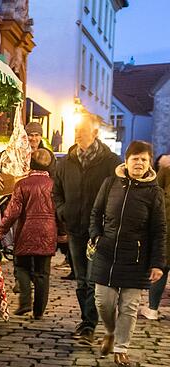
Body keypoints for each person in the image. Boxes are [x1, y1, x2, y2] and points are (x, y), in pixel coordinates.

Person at [89, 140, 165, 367]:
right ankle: (110, 332)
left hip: (136, 257)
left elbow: (159, 230)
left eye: (144, 159)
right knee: (103, 302)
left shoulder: (154, 192)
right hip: (106, 253)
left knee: (129, 307)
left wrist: (157, 263)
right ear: (127, 160)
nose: (139, 163)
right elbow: (96, 213)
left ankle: (121, 349)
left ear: (149, 163)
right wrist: (96, 236)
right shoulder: (110, 183)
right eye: (135, 158)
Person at [53, 113, 121, 345]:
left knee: (93, 280)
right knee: (82, 280)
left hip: (100, 231)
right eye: (76, 129)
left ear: (94, 133)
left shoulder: (111, 162)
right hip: (75, 228)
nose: (78, 133)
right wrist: (63, 211)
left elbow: (119, 193)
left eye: (83, 129)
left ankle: (89, 325)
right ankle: (86, 321)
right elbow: (57, 192)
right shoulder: (66, 162)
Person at [0, 148, 57, 318]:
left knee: (21, 266)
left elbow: (12, 212)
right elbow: (61, 211)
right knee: (43, 273)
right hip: (47, 232)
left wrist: (1, 230)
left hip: (26, 231)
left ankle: (25, 301)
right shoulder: (54, 185)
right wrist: (63, 233)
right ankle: (38, 312)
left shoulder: (22, 185)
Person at [141, 159, 170, 320]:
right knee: (162, 266)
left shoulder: (166, 170)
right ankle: (152, 309)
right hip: (166, 226)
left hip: (165, 225)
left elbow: (155, 196)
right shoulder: (166, 170)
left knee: (162, 266)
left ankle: (153, 308)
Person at [0, 121, 51, 191]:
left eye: (36, 135)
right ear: (25, 136)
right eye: (30, 135)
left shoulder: (47, 154)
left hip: (37, 196)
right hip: (17, 193)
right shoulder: (17, 151)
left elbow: (54, 176)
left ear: (41, 136)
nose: (33, 138)